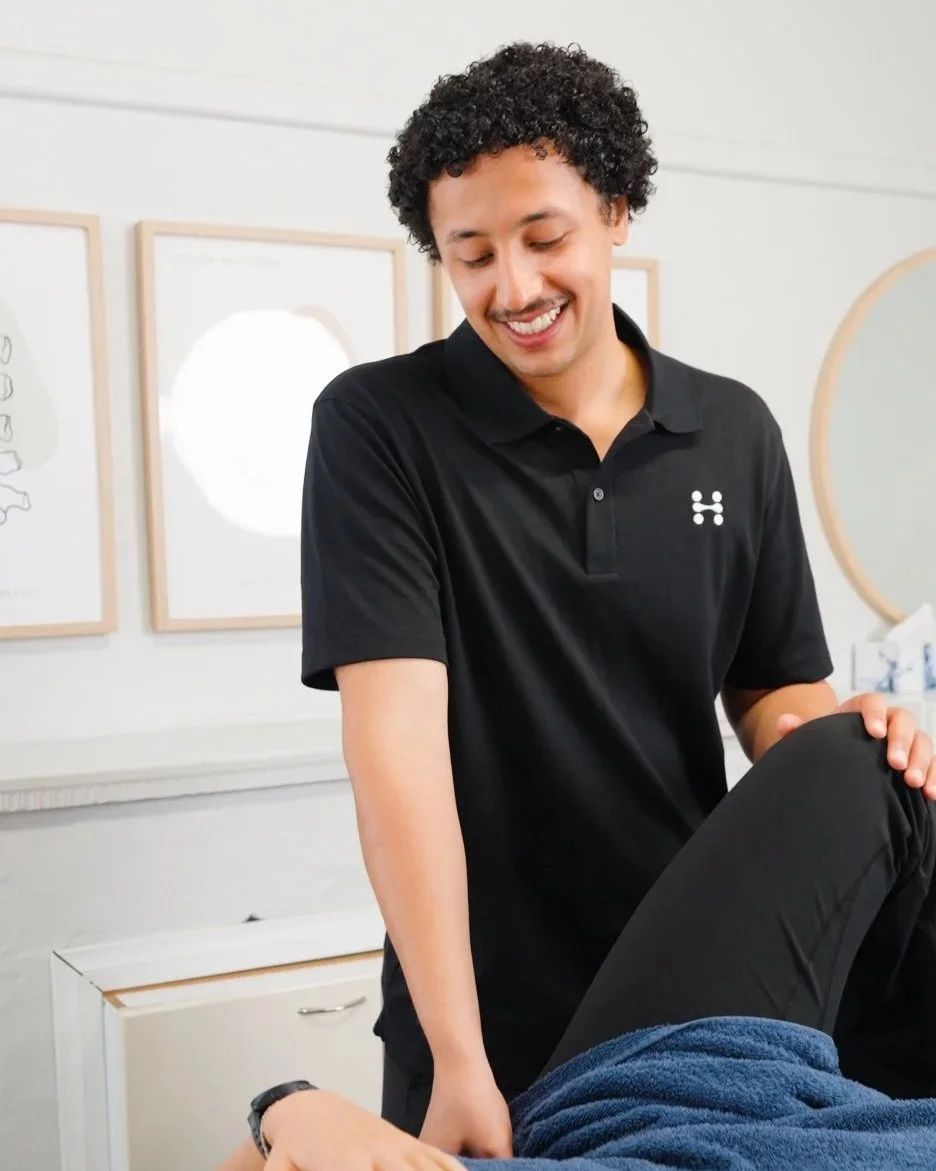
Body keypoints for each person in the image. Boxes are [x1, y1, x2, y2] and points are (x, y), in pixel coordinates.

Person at [298, 39, 936, 1158]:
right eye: (472, 254)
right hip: (483, 1023)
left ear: (617, 212)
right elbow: (395, 748)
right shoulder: (381, 426)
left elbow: (774, 689)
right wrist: (456, 1054)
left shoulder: (731, 432)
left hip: (699, 991)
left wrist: (845, 738)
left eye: (545, 239)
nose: (515, 287)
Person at [219, 713, 936, 1170]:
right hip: (699, 1091)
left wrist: (289, 1109)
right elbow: (396, 741)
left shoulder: (738, 466)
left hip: (652, 1083)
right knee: (867, 762)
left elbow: (776, 680)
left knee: (863, 762)